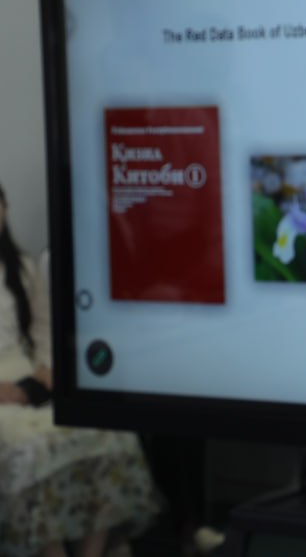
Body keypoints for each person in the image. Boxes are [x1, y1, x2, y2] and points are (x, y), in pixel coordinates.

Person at [0, 183, 161, 557]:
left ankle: (93, 550)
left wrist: (47, 371)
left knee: (109, 431)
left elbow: (44, 330)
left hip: (30, 380)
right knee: (33, 452)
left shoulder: (22, 267)